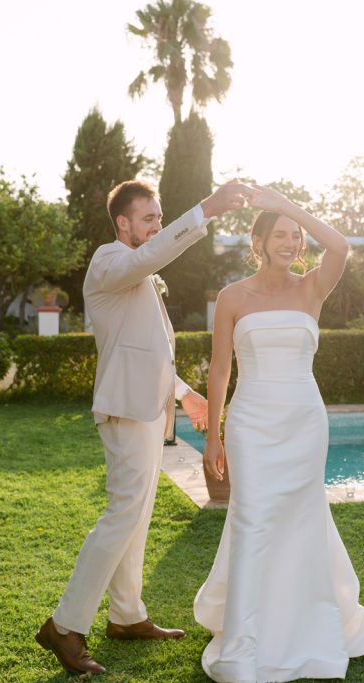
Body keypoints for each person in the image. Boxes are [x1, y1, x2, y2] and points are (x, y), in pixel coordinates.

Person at [36, 179, 251, 676]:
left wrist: (185, 393)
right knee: (121, 514)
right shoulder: (109, 261)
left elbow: (146, 352)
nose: (156, 225)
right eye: (149, 219)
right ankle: (64, 626)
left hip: (150, 408)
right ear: (123, 224)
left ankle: (127, 616)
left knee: (136, 515)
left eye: (161, 217)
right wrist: (207, 208)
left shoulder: (137, 270)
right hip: (126, 410)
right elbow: (148, 259)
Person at [194, 186, 364, 682]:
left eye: (295, 237)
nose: (289, 242)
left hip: (303, 419)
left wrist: (287, 206)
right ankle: (242, 642)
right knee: (253, 519)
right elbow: (219, 370)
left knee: (301, 520)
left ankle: (306, 632)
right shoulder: (232, 297)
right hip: (251, 421)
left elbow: (341, 247)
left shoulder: (312, 288)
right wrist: (213, 436)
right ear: (257, 242)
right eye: (279, 234)